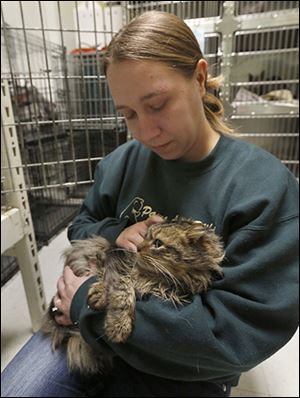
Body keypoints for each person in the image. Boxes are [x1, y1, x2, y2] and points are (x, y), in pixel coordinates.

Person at [1, 10, 299, 398]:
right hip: (86, 327)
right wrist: (115, 232)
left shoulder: (263, 188)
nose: (144, 131)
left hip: (180, 360)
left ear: (199, 77)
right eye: (128, 114)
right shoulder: (122, 162)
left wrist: (87, 308)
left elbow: (235, 338)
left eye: (157, 105)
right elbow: (83, 224)